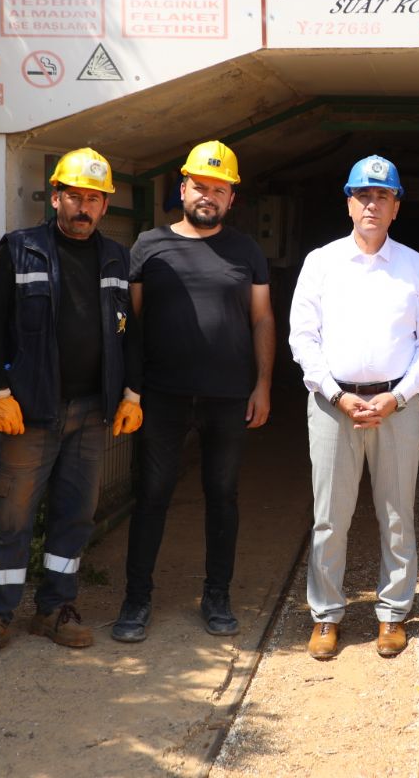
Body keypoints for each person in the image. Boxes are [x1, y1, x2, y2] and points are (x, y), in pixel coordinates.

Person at [0, 147, 140, 664]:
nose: (83, 208)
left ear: (105, 206)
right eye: (75, 197)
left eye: (94, 199)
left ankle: (56, 607)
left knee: (74, 515)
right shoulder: (20, 250)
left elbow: (129, 335)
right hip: (30, 411)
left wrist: (131, 392)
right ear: (55, 197)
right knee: (11, 514)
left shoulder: (115, 258)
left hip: (90, 412)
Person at [111, 140, 274, 643]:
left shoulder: (245, 250)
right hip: (161, 395)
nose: (208, 196)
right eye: (200, 186)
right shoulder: (148, 244)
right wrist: (130, 391)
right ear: (182, 188)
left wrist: (263, 385)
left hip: (227, 396)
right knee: (152, 495)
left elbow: (262, 318)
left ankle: (217, 597)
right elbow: (131, 324)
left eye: (218, 189)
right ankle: (136, 600)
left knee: (222, 496)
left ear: (231, 199)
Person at [288, 155, 419, 660]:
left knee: (397, 513)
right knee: (330, 516)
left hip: (398, 402)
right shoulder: (321, 263)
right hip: (334, 403)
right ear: (349, 203)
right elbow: (302, 337)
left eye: (382, 196)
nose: (372, 204)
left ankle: (393, 614)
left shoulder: (414, 267)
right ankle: (326, 617)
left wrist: (399, 396)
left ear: (396, 206)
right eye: (363, 195)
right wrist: (336, 393)